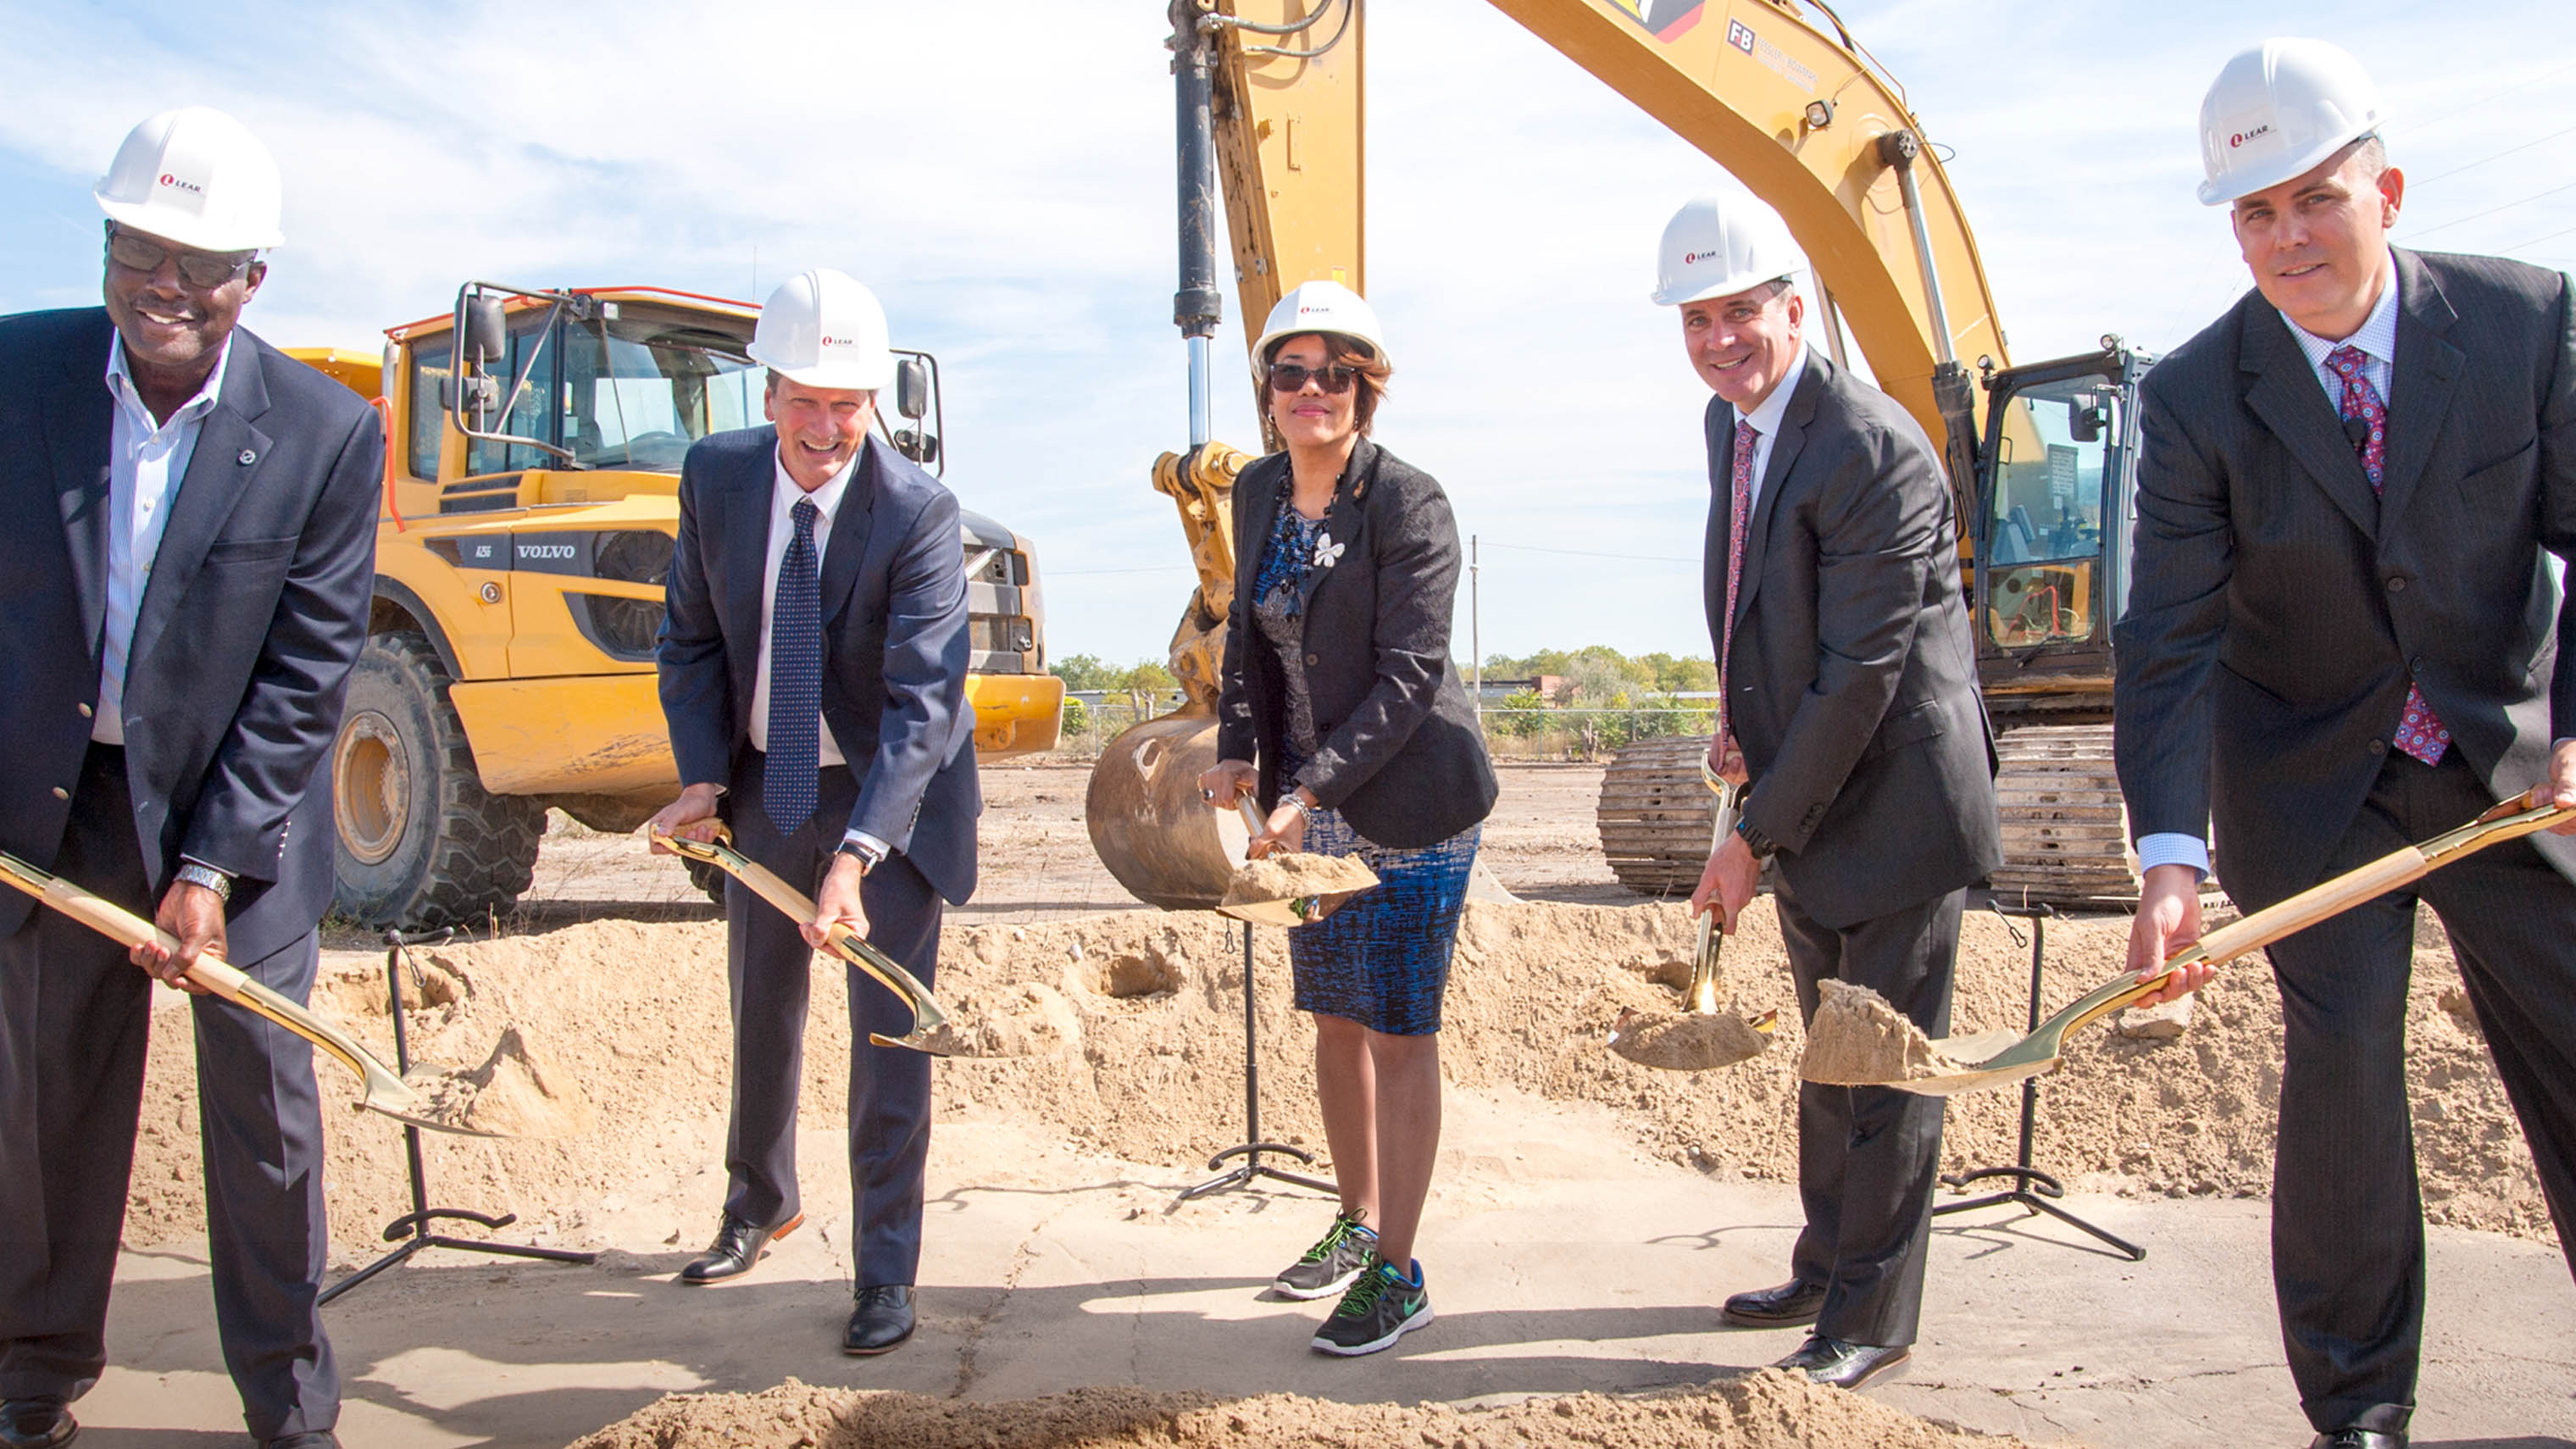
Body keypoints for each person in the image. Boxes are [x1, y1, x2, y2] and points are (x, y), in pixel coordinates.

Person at [2115, 40, 2576, 1449]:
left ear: (2383, 185)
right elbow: (2172, 640)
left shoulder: (2526, 324)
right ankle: (2359, 1404)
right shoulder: (2198, 396)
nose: (2287, 237)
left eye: (2314, 199)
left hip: (2506, 764)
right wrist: (2173, 861)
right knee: (2346, 1085)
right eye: (2254, 214)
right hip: (2312, 784)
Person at [0, 108, 382, 1449]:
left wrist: (213, 867)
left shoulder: (328, 433)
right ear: (107, 246)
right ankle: (33, 1379)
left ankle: (289, 1401)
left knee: (263, 1112)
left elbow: (305, 676)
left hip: (248, 819)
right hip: (59, 803)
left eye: (199, 265)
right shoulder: (18, 372)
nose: (164, 287)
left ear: (252, 279)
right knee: (47, 1100)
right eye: (138, 251)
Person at [1661, 192, 2001, 1391]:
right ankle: (1825, 1263)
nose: (1720, 339)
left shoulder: (1870, 445)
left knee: (1887, 1065)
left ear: (1793, 307)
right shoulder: (1734, 423)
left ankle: (1871, 1314)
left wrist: (1751, 840)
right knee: (1827, 1055)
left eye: (1740, 311)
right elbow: (1767, 604)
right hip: (1809, 782)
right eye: (1698, 318)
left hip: (1897, 801)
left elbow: (1864, 671)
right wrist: (1743, 725)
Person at [647, 268, 979, 1357]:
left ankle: (884, 1271)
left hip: (892, 791)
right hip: (764, 778)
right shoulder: (717, 478)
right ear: (768, 391)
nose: (827, 425)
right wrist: (701, 777)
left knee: (888, 1033)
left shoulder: (919, 512)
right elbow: (690, 638)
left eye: (849, 403)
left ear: (875, 402)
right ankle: (758, 1204)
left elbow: (924, 702)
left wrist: (857, 855)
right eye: (806, 399)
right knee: (762, 1008)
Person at [1197, 279, 1498, 1357]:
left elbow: (1410, 674)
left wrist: (1308, 790)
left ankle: (1400, 1273)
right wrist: (1240, 746)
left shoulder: (1409, 503)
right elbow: (1247, 639)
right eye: (1292, 372)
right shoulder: (1260, 493)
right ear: (1268, 390)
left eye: (1337, 374)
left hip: (1411, 800)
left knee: (1398, 1030)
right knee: (1332, 1015)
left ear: (1366, 391)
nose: (1313, 390)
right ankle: (1358, 1219)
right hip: (1302, 800)